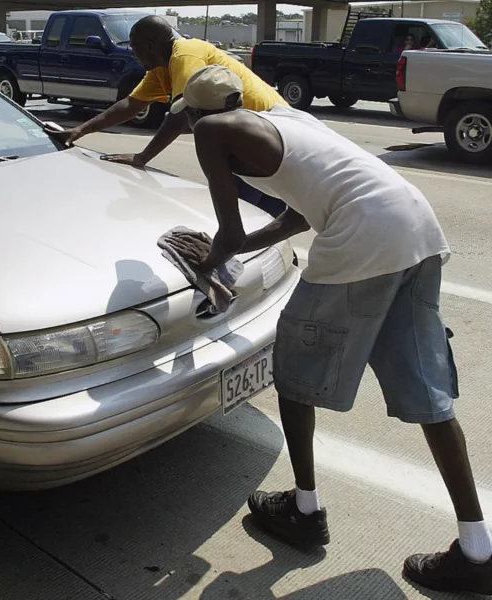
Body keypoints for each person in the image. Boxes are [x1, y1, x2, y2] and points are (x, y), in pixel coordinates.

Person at [172, 63, 491, 595]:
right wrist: (244, 247)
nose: (189, 129)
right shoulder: (288, 121)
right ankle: (479, 551)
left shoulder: (211, 130)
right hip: (415, 225)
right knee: (429, 394)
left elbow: (226, 229)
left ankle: (304, 509)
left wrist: (211, 260)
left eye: (189, 120)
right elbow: (303, 213)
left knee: (294, 369)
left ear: (203, 114)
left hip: (362, 239)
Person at [47, 15, 288, 218]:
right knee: (269, 213)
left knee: (241, 212)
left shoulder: (185, 55)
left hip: (262, 131)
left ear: (151, 45)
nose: (132, 53)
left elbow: (181, 114)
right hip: (256, 132)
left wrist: (142, 157)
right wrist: (80, 130)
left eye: (134, 46)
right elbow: (131, 104)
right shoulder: (160, 68)